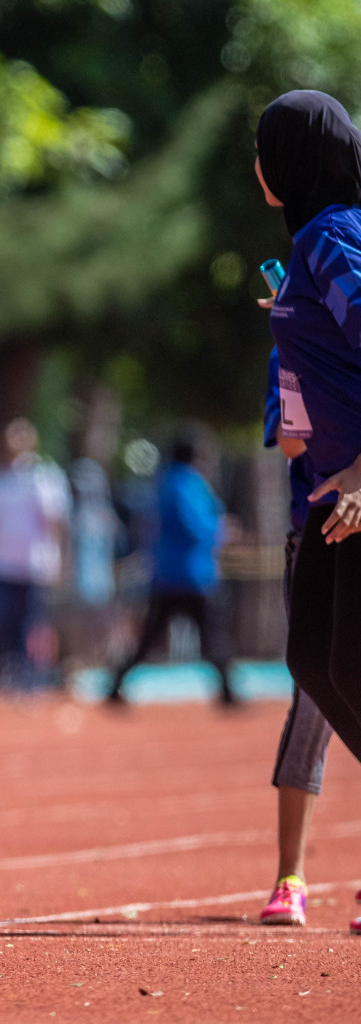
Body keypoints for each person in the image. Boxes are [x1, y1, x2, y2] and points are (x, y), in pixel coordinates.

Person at [255, 89, 361, 937]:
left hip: (355, 492)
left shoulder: (331, 239)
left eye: (264, 147)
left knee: (346, 665)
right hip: (326, 491)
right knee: (313, 660)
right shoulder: (304, 252)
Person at [258, 347, 334, 926]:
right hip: (313, 533)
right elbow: (291, 441)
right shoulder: (289, 351)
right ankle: (291, 876)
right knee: (313, 696)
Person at [105, 430, 238, 707]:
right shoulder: (186, 484)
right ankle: (228, 693)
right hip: (190, 575)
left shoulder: (165, 481)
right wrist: (220, 530)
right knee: (211, 635)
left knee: (152, 638)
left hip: (168, 574)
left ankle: (115, 684)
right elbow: (195, 525)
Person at [0, 418, 70, 693]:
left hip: (33, 566)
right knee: (0, 623)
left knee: (31, 623)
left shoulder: (46, 478)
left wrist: (59, 562)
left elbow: (55, 524)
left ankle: (30, 675)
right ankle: (7, 672)